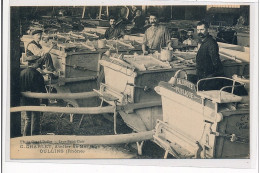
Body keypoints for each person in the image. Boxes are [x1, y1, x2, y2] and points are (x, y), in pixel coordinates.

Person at [20, 56, 47, 136]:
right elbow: (41, 88)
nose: (38, 64)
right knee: (35, 118)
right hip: (34, 99)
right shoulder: (36, 74)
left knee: (28, 118)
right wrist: (45, 100)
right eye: (37, 63)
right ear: (34, 63)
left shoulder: (22, 72)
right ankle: (34, 137)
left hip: (25, 98)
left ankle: (25, 135)